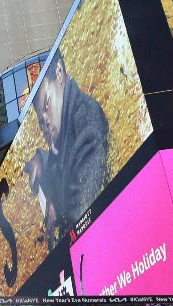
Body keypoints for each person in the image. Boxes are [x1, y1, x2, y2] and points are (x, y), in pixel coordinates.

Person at [23, 48, 109, 250]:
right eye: (40, 119)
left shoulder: (86, 122)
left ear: (60, 73)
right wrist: (41, 160)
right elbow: (60, 165)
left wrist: (57, 218)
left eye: (46, 106)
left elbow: (81, 216)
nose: (45, 122)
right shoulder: (64, 137)